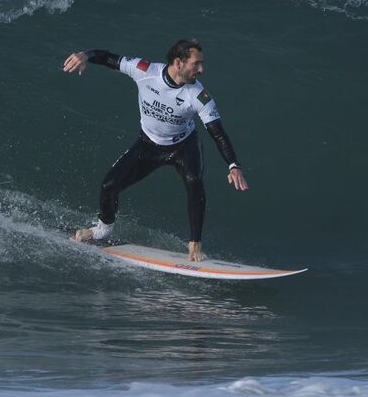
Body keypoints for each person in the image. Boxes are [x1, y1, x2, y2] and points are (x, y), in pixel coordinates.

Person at [62, 38, 248, 262]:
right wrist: (86, 55)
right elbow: (110, 58)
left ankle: (194, 244)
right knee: (109, 185)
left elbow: (217, 132)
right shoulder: (145, 71)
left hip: (183, 146)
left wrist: (233, 165)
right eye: (196, 64)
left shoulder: (198, 95)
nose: (201, 69)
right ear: (178, 63)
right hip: (148, 144)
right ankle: (102, 229)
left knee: (194, 181)